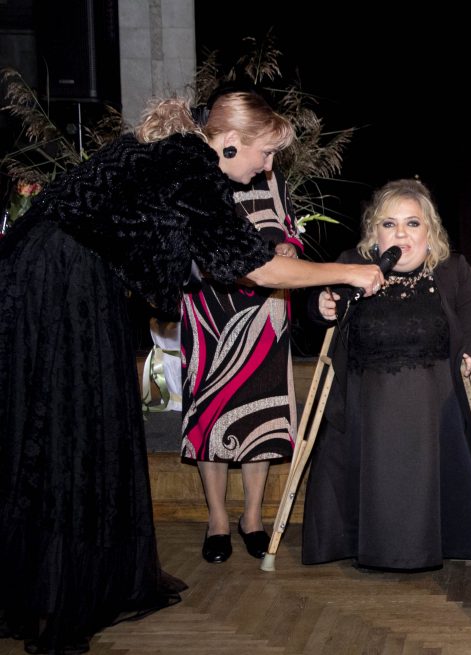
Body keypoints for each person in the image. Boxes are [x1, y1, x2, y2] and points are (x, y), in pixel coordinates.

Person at [0, 94, 383, 654]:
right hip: (59, 282)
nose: (267, 168)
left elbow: (213, 254)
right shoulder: (190, 165)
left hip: (50, 271)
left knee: (66, 426)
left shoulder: (176, 153)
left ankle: (48, 580)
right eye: (265, 153)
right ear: (229, 142)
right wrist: (348, 273)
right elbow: (255, 268)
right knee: (71, 427)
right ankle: (57, 588)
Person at [301, 178, 471, 571]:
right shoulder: (352, 265)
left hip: (433, 413)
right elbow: (321, 309)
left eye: (412, 223)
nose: (401, 233)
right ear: (375, 234)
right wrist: (321, 305)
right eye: (390, 224)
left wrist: (470, 351)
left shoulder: (452, 269)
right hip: (365, 409)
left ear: (429, 232)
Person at [178, 84, 303, 564]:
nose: (268, 163)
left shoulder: (269, 177)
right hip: (208, 310)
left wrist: (290, 247)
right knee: (211, 414)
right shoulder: (197, 177)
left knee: (261, 416)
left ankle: (253, 518)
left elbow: (288, 229)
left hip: (265, 311)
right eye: (266, 150)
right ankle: (217, 520)